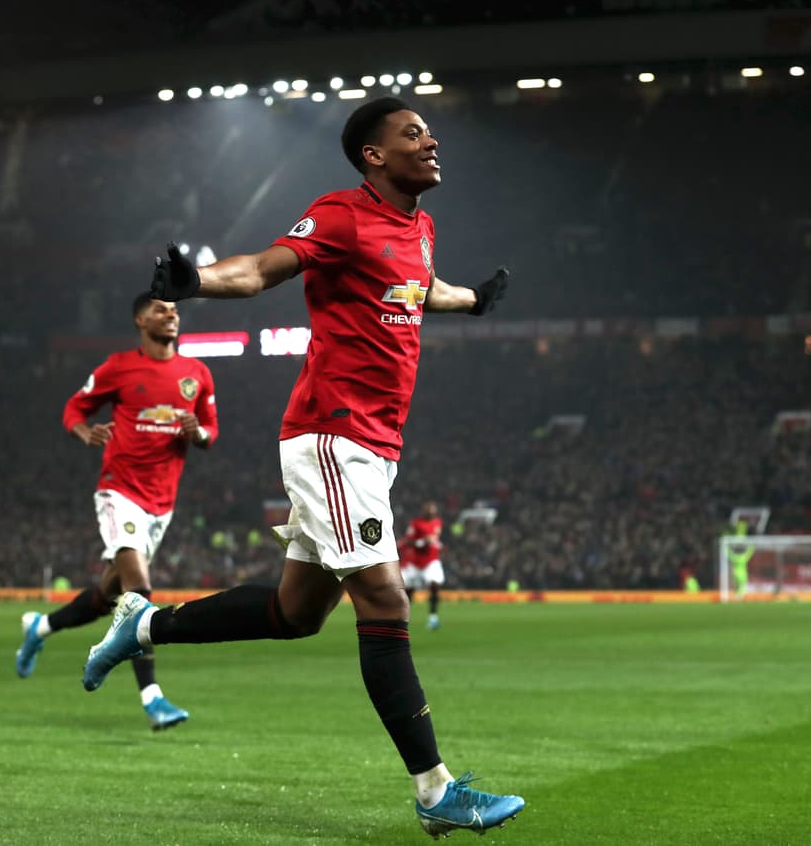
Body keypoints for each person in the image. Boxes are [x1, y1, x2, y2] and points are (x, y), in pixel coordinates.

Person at [81, 96, 523, 837]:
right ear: (374, 155)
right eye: (412, 133)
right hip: (332, 433)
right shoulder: (341, 213)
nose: (431, 139)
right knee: (385, 602)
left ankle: (143, 624)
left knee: (296, 613)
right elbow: (259, 269)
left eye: (429, 130)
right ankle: (435, 790)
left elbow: (421, 289)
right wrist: (197, 284)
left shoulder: (419, 227)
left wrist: (474, 300)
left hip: (375, 446)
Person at [14, 296, 217, 732]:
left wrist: (196, 431)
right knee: (139, 591)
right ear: (140, 320)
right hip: (119, 491)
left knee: (108, 593)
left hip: (162, 503)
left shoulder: (196, 374)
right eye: (161, 310)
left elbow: (209, 431)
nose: (172, 314)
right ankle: (153, 699)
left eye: (175, 309)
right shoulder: (118, 367)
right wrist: (85, 431)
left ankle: (41, 628)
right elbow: (74, 408)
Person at [400, 501, 445, 629]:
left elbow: (435, 541)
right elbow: (407, 541)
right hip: (415, 563)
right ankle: (403, 619)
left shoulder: (438, 523)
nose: (431, 513)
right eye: (428, 511)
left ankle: (433, 617)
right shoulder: (415, 523)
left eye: (433, 511)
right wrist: (422, 542)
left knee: (434, 584)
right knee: (409, 591)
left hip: (431, 561)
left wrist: (440, 547)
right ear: (423, 512)